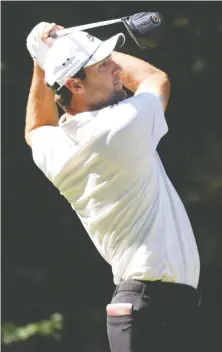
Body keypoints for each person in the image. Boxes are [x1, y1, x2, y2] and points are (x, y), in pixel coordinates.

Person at [25, 22, 200, 352]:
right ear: (73, 84)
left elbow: (36, 127)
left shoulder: (58, 147)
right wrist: (65, 44)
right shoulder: (120, 126)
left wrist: (40, 61)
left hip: (150, 304)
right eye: (103, 65)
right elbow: (154, 78)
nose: (116, 68)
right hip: (150, 304)